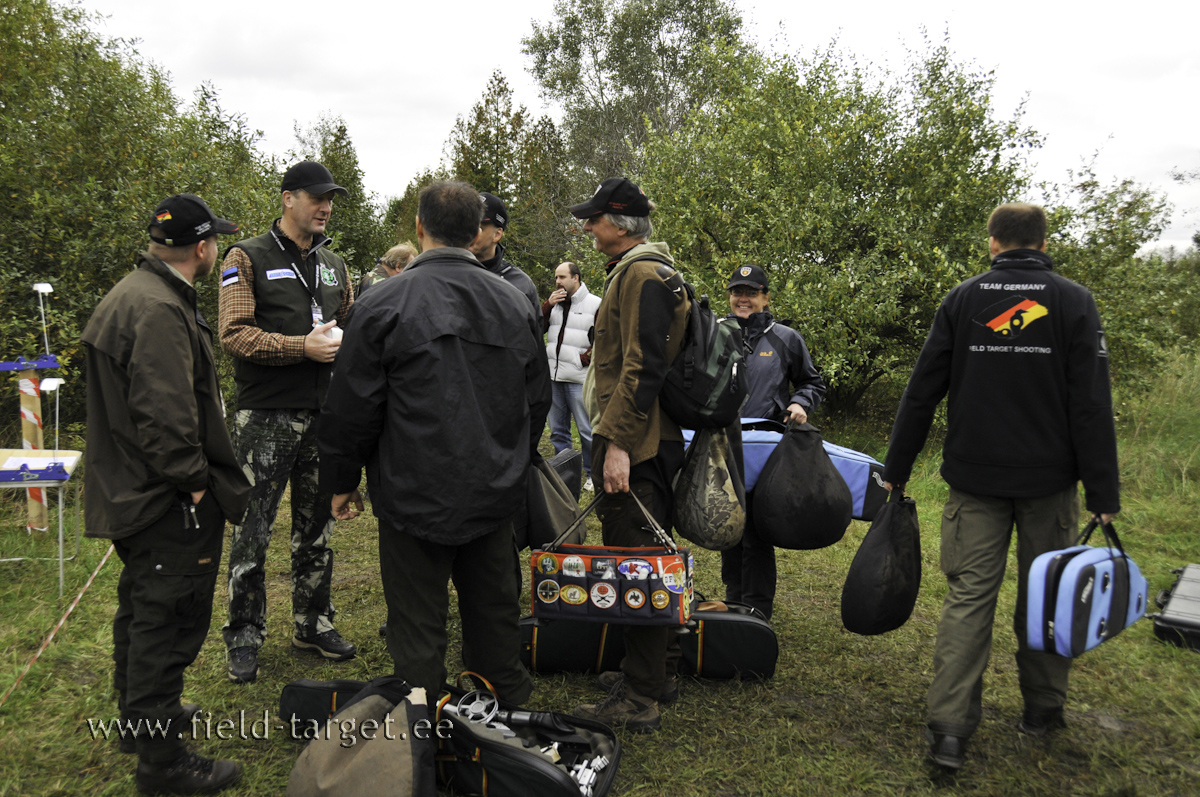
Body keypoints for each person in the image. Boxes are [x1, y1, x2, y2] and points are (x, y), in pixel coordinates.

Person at [881, 203, 1120, 771]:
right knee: (1050, 594)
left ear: (993, 243)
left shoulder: (963, 299)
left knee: (968, 600)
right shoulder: (1074, 301)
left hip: (975, 482)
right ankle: (1043, 709)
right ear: (1043, 242)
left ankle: (949, 732)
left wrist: (897, 466)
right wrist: (1102, 494)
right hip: (1050, 484)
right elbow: (1092, 404)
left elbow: (922, 391)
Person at [317, 180, 551, 704]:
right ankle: (490, 708)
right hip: (477, 485)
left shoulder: (384, 303)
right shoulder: (513, 302)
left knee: (420, 619)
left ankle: (430, 718)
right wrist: (511, 460)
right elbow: (537, 401)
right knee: (491, 610)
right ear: (473, 232)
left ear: (419, 227)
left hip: (418, 489)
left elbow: (350, 408)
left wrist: (341, 480)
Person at [82, 194, 250, 794]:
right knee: (167, 621)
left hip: (134, 487)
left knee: (141, 608)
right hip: (162, 498)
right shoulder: (157, 307)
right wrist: (196, 485)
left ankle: (140, 722)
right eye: (215, 241)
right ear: (202, 248)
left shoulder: (137, 292)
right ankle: (163, 763)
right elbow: (166, 416)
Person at [218, 161, 357, 684]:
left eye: (330, 199)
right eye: (317, 197)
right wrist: (302, 347)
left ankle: (313, 623)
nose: (325, 207)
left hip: (324, 416)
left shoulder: (335, 265)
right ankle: (244, 634)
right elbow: (234, 333)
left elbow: (350, 325)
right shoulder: (246, 256)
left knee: (317, 529)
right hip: (265, 418)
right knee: (252, 532)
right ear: (288, 198)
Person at [568, 177, 690, 733]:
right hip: (642, 435)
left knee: (636, 564)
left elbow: (645, 366)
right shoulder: (640, 270)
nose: (588, 227)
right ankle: (657, 670)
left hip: (636, 441)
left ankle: (640, 695)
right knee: (648, 559)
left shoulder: (642, 274)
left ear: (619, 224)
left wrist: (616, 443)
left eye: (594, 218)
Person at [720, 264, 826, 620]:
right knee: (729, 526)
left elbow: (812, 382)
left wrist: (800, 403)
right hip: (721, 444)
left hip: (766, 449)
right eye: (737, 291)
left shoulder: (786, 338)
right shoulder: (713, 332)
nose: (743, 298)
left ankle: (756, 610)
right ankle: (733, 599)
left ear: (765, 297)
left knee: (756, 531)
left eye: (751, 292)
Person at [542, 261, 602, 491]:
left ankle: (592, 474)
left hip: (579, 378)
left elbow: (605, 339)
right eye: (556, 277)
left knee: (587, 431)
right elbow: (536, 327)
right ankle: (564, 474)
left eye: (562, 277)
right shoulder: (555, 304)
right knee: (558, 431)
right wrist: (547, 305)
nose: (558, 282)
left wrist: (584, 359)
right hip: (554, 377)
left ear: (575, 278)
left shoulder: (595, 304)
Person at [468, 192, 540, 310]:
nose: (469, 233)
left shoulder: (521, 284)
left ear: (497, 235)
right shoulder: (448, 274)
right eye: (466, 225)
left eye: (479, 228)